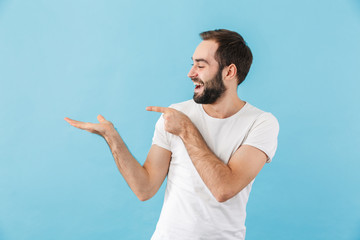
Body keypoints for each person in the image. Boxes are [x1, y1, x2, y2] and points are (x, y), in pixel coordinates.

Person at [65, 29, 279, 240]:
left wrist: (186, 130)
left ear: (229, 72)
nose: (191, 73)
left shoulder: (260, 123)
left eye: (201, 65)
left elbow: (224, 189)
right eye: (192, 63)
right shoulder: (175, 114)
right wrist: (112, 137)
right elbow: (145, 189)